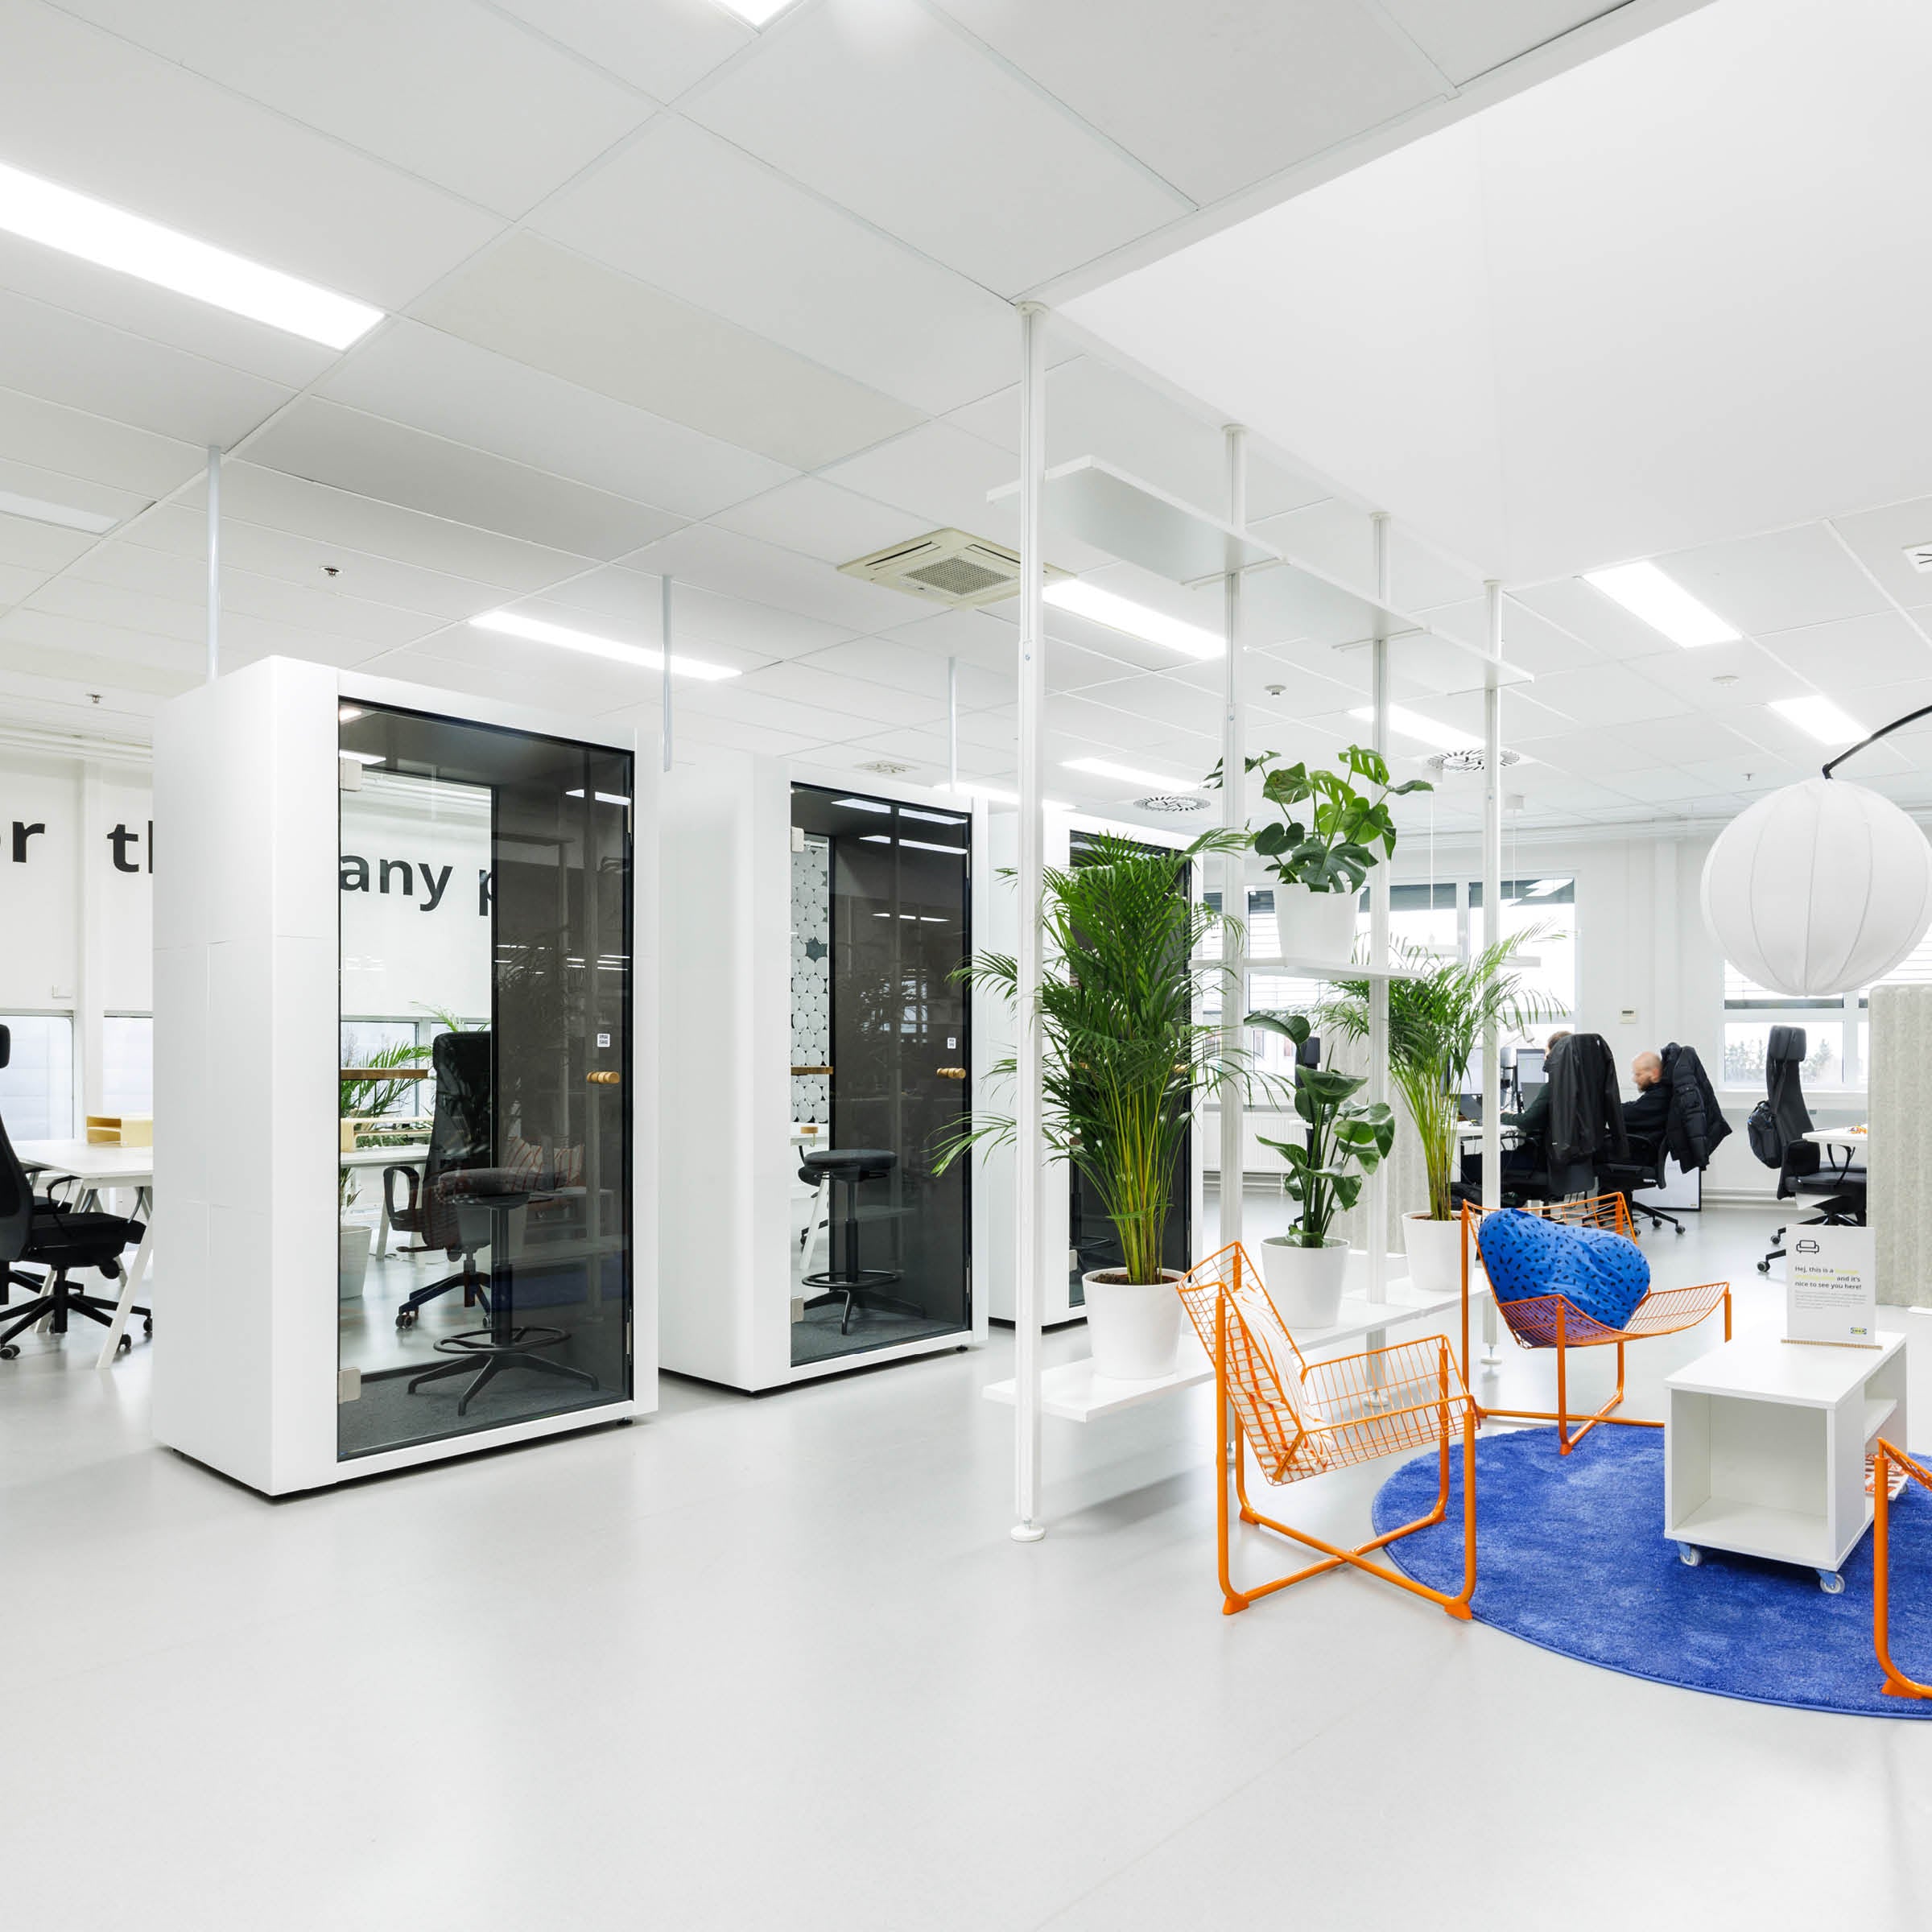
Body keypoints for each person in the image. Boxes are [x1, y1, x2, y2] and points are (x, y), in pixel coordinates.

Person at [1624, 1049, 1670, 1158]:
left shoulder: (1660, 1097)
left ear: (1654, 1074)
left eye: (1638, 1074)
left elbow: (1629, 1113)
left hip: (1640, 1154)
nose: (1634, 1079)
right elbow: (1636, 1107)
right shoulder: (1657, 1094)